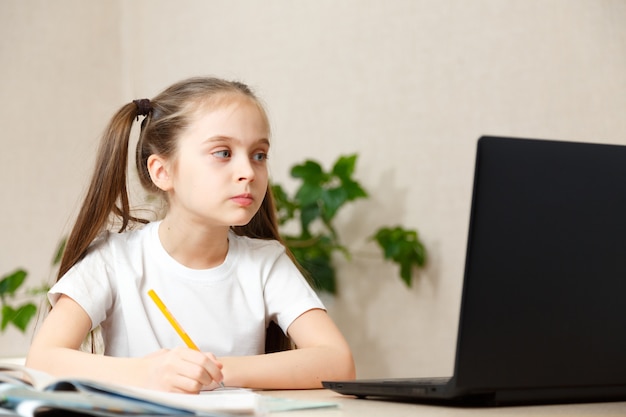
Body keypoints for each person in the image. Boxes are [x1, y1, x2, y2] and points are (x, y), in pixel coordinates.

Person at [26, 76, 356, 393]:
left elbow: (337, 362)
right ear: (162, 171)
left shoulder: (265, 263)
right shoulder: (114, 260)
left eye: (259, 155)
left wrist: (213, 371)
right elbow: (41, 360)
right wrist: (145, 373)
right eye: (223, 153)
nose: (247, 173)